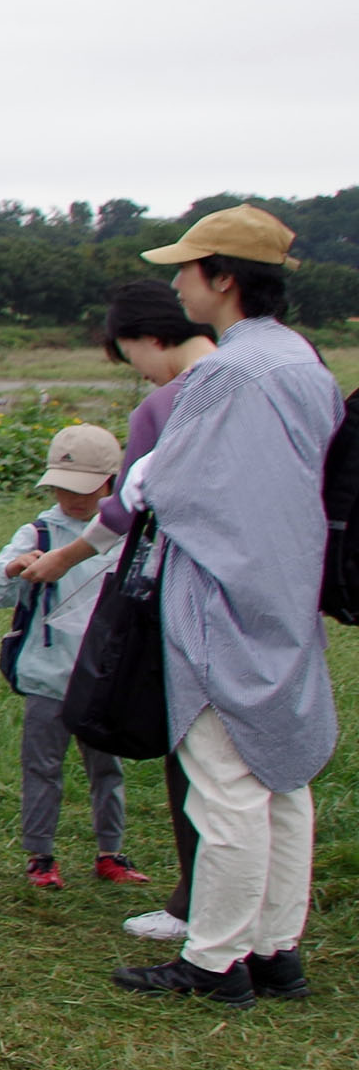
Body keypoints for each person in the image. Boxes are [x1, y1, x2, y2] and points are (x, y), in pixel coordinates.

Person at [110, 206, 338, 1007]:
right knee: (281, 776)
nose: (177, 283)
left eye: (188, 268)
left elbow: (164, 485)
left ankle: (213, 962)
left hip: (223, 596)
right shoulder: (304, 364)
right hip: (287, 588)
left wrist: (139, 483)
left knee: (225, 781)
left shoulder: (225, 374)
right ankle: (276, 948)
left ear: (224, 278)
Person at [15, 281, 216, 940]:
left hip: (190, 595)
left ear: (145, 338)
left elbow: (130, 509)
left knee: (200, 759)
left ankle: (202, 912)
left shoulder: (169, 403)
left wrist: (63, 558)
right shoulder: (276, 371)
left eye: (128, 354)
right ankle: (253, 923)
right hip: (265, 591)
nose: (136, 370)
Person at [0, 424, 144, 889]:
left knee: (106, 769)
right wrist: (14, 567)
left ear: (112, 482)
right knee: (42, 768)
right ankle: (41, 856)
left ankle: (111, 852)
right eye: (61, 488)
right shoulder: (39, 532)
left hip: (103, 680)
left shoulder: (125, 533)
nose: (72, 499)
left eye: (84, 490)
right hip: (47, 677)